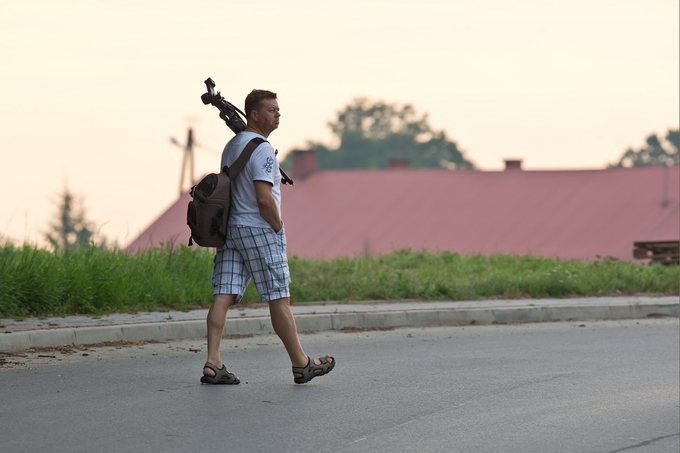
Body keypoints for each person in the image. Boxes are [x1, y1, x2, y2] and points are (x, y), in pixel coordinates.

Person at [201, 89, 335, 385]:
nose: (277, 114)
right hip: (259, 229)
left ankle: (213, 362)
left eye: (278, 110)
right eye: (272, 109)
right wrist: (277, 226)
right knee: (278, 297)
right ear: (254, 114)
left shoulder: (232, 145)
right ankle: (301, 364)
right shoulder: (261, 149)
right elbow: (263, 199)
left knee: (223, 294)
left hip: (231, 230)